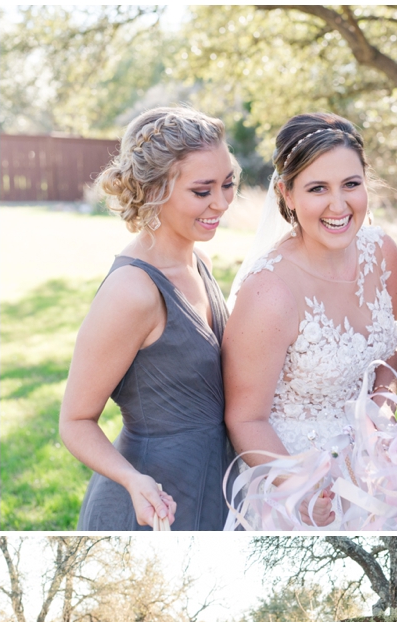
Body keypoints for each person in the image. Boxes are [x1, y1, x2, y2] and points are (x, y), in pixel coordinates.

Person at [60, 106, 237, 531]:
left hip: (216, 487)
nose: (221, 202)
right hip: (151, 501)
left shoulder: (201, 261)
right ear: (156, 188)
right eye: (202, 190)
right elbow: (74, 421)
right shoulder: (132, 291)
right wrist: (131, 479)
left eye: (228, 183)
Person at [223, 112, 397, 528]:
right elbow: (245, 418)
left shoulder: (383, 254)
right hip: (296, 485)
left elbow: (387, 363)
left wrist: (375, 435)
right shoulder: (270, 291)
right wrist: (300, 488)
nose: (338, 205)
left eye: (351, 185)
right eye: (317, 188)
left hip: (374, 478)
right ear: (286, 194)